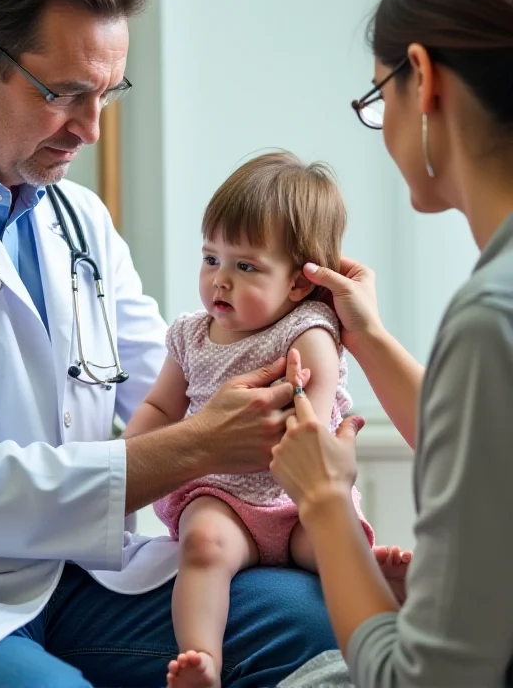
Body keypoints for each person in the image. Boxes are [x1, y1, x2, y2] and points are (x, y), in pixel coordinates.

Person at [0, 0, 338, 688]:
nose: (91, 130)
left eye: (108, 94)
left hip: (83, 573)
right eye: (68, 95)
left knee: (310, 621)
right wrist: (199, 447)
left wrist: (304, 346)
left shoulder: (77, 220)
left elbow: (178, 373)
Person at [270, 0, 513, 688]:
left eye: (380, 99)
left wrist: (326, 501)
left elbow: (427, 682)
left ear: (423, 77)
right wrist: (367, 337)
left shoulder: (489, 319)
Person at [124, 152, 376, 688]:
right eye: (211, 258)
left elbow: (312, 414)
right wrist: (127, 457)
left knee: (328, 545)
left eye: (245, 267)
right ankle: (201, 660)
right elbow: (162, 407)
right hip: (223, 493)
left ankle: (384, 589)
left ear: (299, 283)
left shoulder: (309, 329)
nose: (220, 281)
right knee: (203, 546)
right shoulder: (190, 336)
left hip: (297, 495)